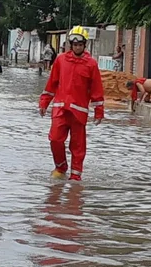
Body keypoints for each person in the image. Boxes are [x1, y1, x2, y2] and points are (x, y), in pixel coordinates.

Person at [39, 26, 105, 181]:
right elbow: (52, 83)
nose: (77, 47)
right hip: (60, 109)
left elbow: (96, 89)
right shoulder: (61, 60)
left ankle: (76, 175)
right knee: (55, 139)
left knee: (78, 146)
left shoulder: (91, 64)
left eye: (80, 45)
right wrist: (44, 102)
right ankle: (60, 167)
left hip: (79, 112)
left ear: (85, 45)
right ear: (70, 44)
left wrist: (99, 111)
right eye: (74, 45)